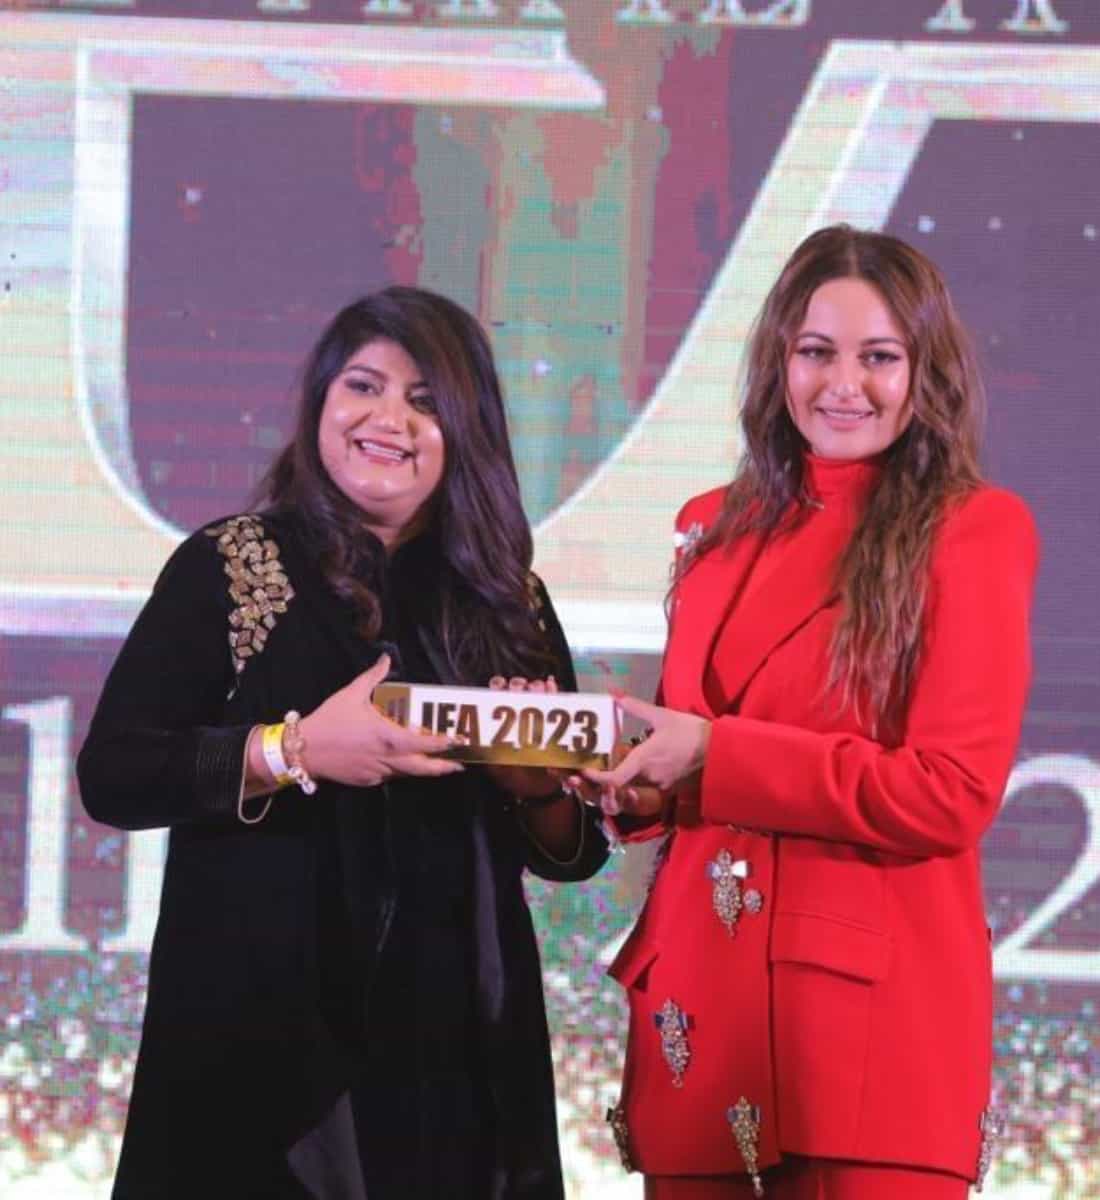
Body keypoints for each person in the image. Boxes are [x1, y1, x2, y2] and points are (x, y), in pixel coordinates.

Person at [77, 286, 609, 1200]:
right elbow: (116, 773)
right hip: (262, 1034)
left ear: (467, 430)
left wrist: (536, 791)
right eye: (363, 386)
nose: (387, 420)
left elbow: (573, 851)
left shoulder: (506, 598)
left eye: (425, 401)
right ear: (321, 401)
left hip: (451, 1044)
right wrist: (294, 751)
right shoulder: (232, 564)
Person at [581, 225, 1038, 1198]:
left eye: (879, 358)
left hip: (865, 1028)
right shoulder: (710, 526)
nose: (843, 385)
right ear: (777, 360)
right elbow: (691, 757)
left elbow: (949, 792)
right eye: (816, 352)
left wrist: (711, 754)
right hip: (698, 1007)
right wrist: (625, 775)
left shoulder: (972, 530)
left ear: (925, 371)